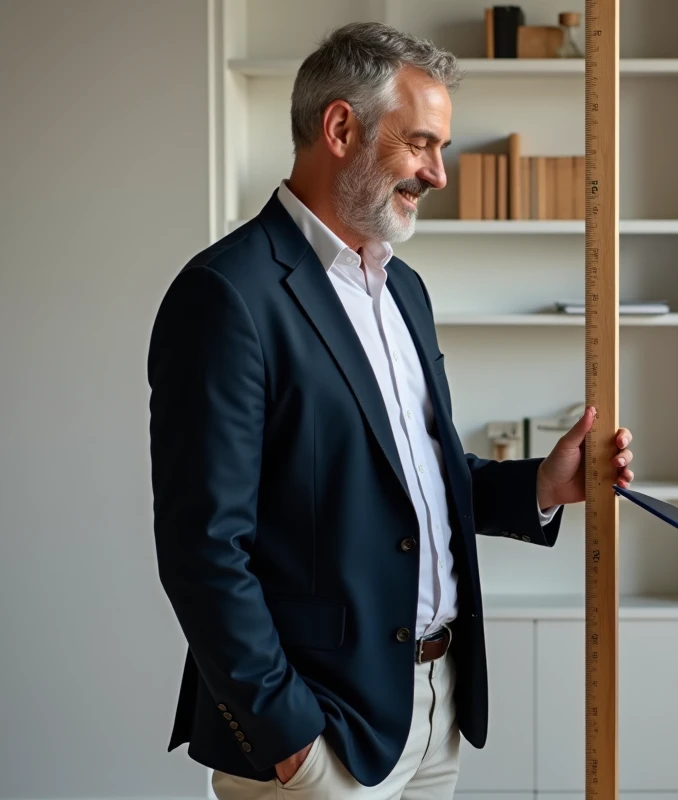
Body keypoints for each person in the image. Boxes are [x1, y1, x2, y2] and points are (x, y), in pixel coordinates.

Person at [148, 22, 635, 799]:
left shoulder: (403, 289)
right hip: (322, 731)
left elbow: (410, 480)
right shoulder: (226, 296)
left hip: (436, 711)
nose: (438, 174)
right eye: (421, 144)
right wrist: (290, 742)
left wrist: (542, 485)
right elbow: (203, 549)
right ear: (341, 127)